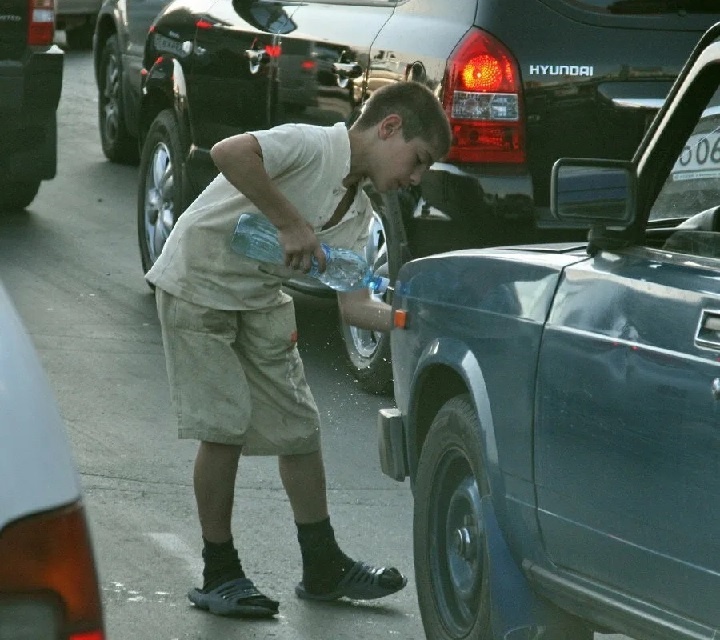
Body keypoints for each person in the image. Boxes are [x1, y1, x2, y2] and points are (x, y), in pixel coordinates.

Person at [147, 81, 452, 618]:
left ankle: (322, 566)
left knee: (299, 428)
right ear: (389, 127)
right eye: (418, 159)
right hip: (201, 281)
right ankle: (219, 572)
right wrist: (289, 222)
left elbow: (355, 306)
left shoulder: (359, 211)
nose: (415, 177)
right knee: (223, 428)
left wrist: (416, 321)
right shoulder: (314, 144)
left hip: (259, 296)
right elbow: (229, 151)